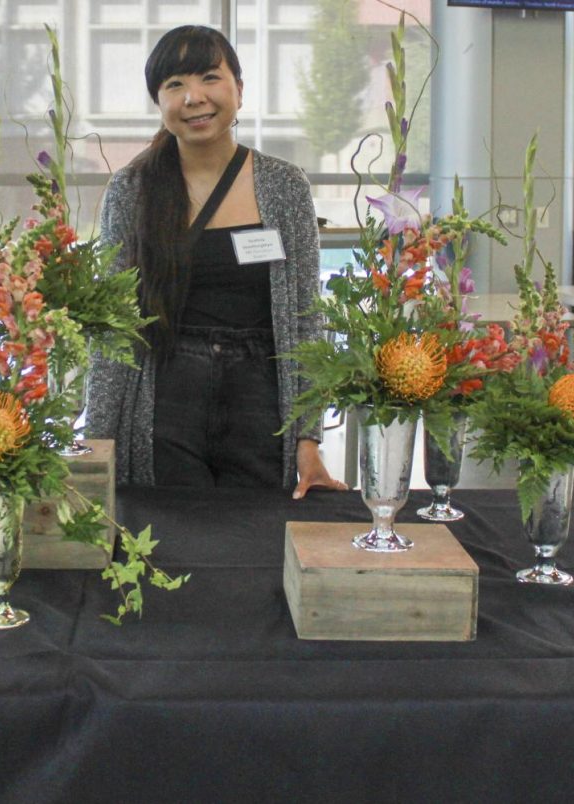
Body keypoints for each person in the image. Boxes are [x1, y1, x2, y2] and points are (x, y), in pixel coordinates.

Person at [85, 25, 346, 497]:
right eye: (174, 85)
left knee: (256, 538)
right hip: (167, 394)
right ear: (158, 102)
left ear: (239, 91)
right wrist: (97, 444)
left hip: (259, 398)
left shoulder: (285, 187)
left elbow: (307, 317)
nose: (194, 97)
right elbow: (112, 327)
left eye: (209, 77)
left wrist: (309, 437)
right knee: (171, 537)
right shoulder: (132, 190)